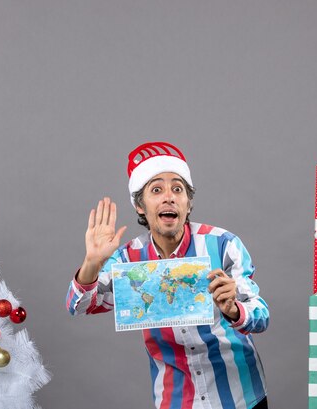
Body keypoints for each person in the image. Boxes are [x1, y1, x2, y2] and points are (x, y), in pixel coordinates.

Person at [66, 142, 269, 409]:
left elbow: (261, 315)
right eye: (156, 190)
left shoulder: (223, 244)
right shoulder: (128, 260)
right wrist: (92, 262)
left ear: (189, 202)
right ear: (140, 206)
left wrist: (234, 310)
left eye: (178, 189)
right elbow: (78, 305)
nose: (169, 197)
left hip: (241, 397)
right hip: (176, 400)